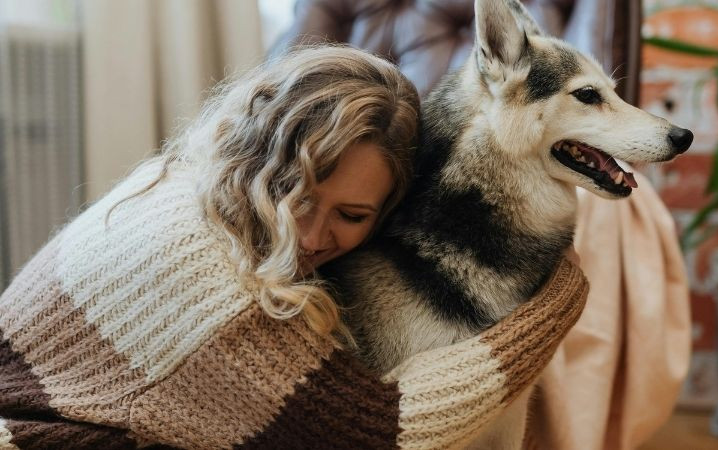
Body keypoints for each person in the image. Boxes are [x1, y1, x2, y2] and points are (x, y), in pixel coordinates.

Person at [0, 46, 588, 449]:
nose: (310, 237)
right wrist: (558, 296)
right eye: (296, 195)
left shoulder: (186, 177)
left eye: (353, 216)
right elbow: (384, 433)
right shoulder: (216, 288)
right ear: (259, 158)